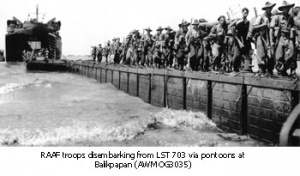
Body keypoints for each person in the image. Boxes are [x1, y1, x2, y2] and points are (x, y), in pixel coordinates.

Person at [270, 1, 295, 76]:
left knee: (291, 54)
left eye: (288, 8)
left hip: (288, 38)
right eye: (285, 8)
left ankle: (284, 68)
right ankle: (280, 71)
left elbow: (292, 28)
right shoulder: (277, 17)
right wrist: (271, 41)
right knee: (279, 56)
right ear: (282, 9)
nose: (287, 9)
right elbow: (271, 29)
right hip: (280, 38)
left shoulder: (290, 18)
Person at [229, 7, 251, 72]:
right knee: (236, 55)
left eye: (247, 13)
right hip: (238, 40)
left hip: (245, 41)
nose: (245, 14)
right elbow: (230, 26)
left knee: (243, 55)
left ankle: (238, 68)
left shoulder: (248, 22)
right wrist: (235, 21)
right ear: (242, 13)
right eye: (244, 13)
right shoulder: (238, 21)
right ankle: (233, 66)